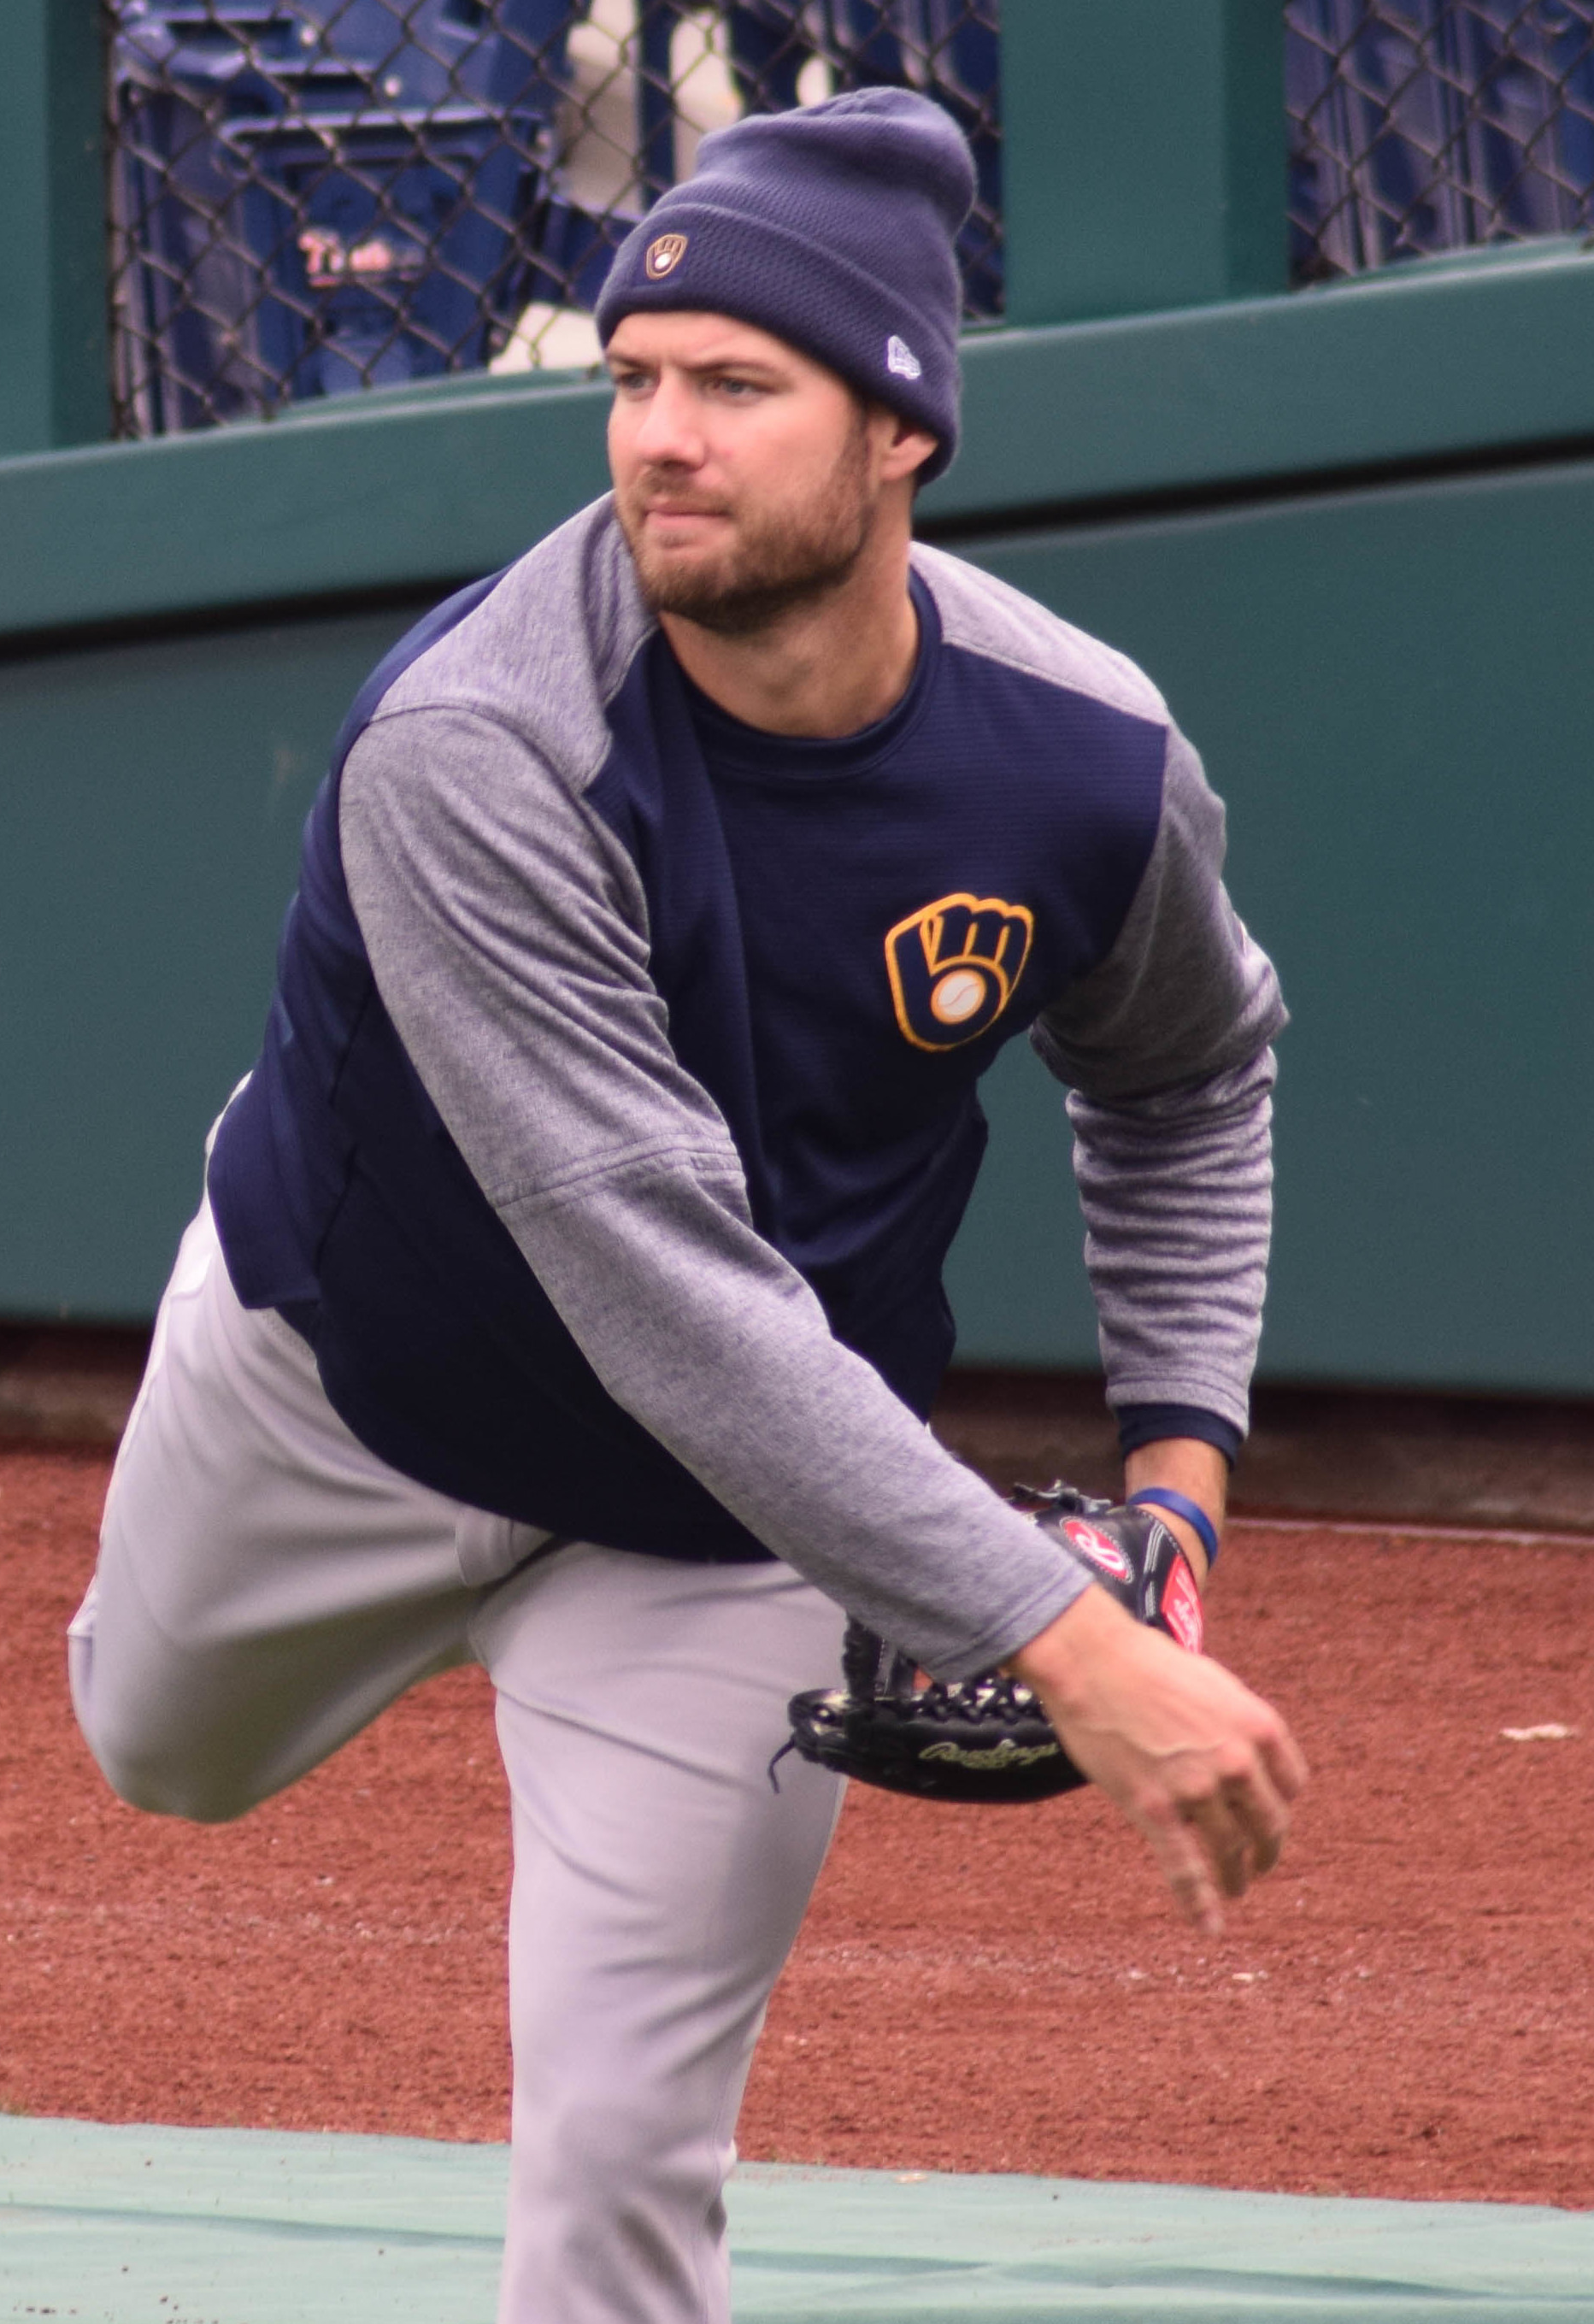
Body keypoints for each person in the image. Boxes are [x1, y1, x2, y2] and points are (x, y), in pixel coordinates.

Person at [69, 87, 1306, 2324]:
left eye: (739, 385)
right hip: (346, 1396)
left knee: (626, 2176)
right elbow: (663, 1292)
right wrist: (1063, 1632)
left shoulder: (1080, 757)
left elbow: (1194, 1070)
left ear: (904, 430)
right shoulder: (483, 744)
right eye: (636, 379)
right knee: (159, 1751)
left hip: (734, 1531)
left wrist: (1177, 1499)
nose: (661, 435)